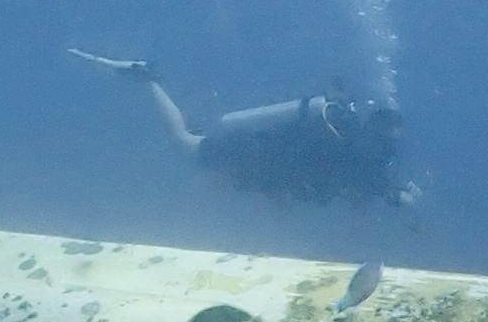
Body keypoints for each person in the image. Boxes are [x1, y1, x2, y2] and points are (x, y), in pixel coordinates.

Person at [72, 50, 412, 206]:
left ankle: (153, 84)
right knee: (184, 142)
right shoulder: (366, 154)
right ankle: (147, 79)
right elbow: (367, 186)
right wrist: (400, 196)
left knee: (199, 145)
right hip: (256, 155)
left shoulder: (352, 134)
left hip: (258, 151)